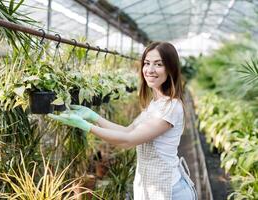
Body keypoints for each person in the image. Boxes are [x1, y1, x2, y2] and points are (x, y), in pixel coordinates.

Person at [48, 41, 198, 200]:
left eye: (158, 64)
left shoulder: (171, 107)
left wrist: (86, 126)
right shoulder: (155, 104)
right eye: (147, 63)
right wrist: (94, 116)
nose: (150, 70)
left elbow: (128, 141)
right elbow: (127, 131)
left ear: (170, 68)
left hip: (170, 190)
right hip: (153, 186)